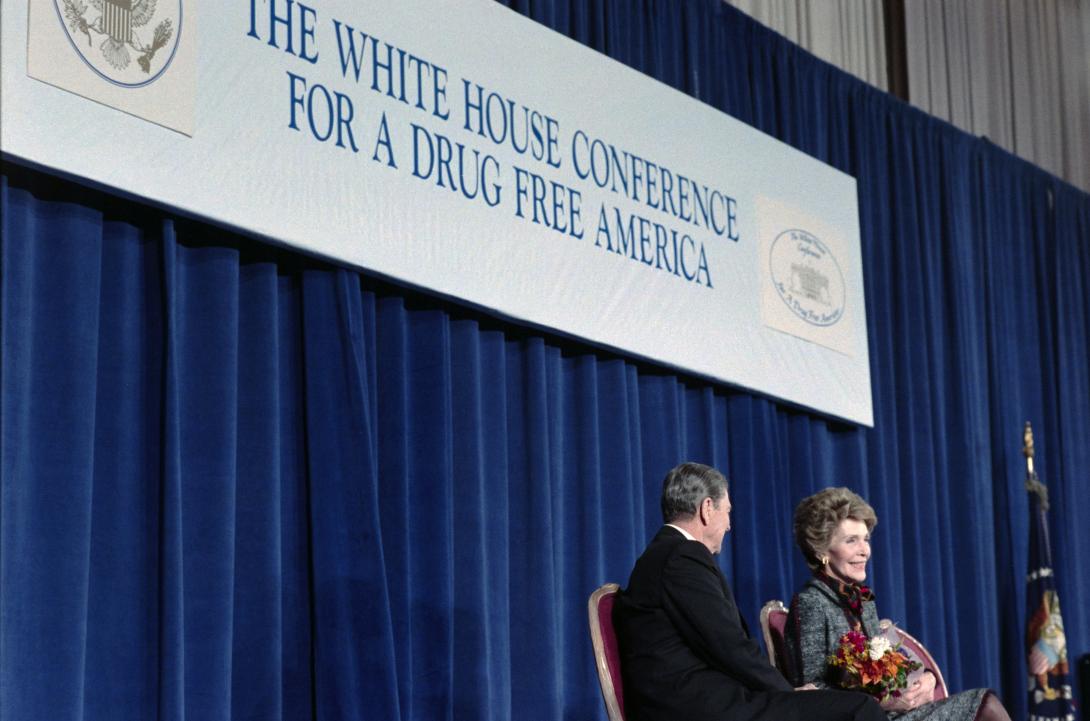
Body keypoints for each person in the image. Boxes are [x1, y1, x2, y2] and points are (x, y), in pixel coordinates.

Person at [612, 462, 887, 721]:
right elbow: (727, 644)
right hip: (698, 707)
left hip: (700, 700)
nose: (729, 525)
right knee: (860, 710)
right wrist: (786, 693)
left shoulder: (665, 554)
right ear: (707, 508)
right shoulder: (682, 556)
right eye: (727, 511)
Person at [785, 487, 1011, 721]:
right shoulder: (810, 602)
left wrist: (927, 678)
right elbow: (810, 696)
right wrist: (881, 702)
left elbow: (888, 671)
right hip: (859, 717)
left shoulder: (862, 599)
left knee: (986, 701)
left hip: (887, 714)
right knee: (987, 707)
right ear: (821, 550)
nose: (864, 551)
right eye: (851, 541)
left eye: (866, 540)